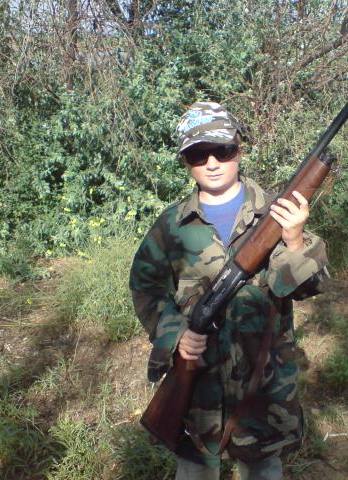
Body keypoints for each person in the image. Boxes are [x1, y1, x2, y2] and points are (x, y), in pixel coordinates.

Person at [129, 101, 329, 480]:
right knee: (194, 469)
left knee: (263, 468)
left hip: (263, 386)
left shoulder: (277, 213)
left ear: (240, 148)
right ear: (185, 161)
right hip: (199, 389)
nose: (212, 163)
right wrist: (175, 333)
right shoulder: (171, 225)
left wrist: (295, 241)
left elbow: (309, 286)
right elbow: (145, 284)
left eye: (222, 150)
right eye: (198, 154)